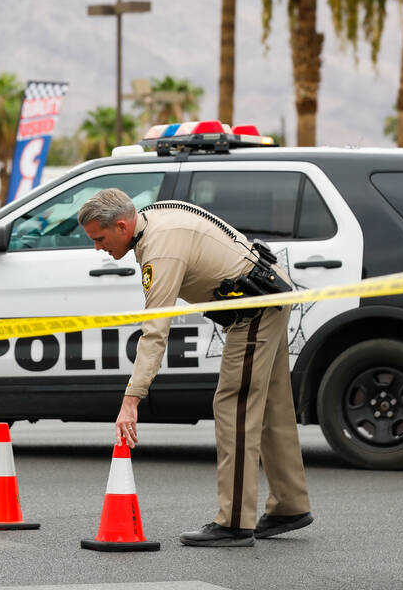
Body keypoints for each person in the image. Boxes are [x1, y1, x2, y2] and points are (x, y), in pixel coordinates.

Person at [78, 187, 312, 548]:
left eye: (99, 238)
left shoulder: (159, 249)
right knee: (270, 407)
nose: (98, 248)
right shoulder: (155, 218)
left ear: (122, 226)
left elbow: (155, 332)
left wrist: (131, 399)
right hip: (271, 296)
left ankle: (234, 522)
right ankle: (289, 506)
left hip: (253, 310)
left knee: (233, 406)